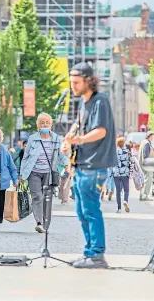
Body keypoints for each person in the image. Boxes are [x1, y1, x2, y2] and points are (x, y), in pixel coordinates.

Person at [61, 62, 117, 269]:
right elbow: (79, 125)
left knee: (91, 210)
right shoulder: (84, 103)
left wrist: (79, 140)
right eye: (71, 82)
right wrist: (69, 139)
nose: (73, 86)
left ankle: (97, 255)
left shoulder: (100, 101)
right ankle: (89, 252)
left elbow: (101, 131)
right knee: (82, 210)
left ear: (88, 80)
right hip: (82, 163)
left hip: (95, 164)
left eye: (76, 82)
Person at [20, 113, 69, 233]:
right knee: (37, 196)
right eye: (42, 123)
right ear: (38, 125)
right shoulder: (32, 138)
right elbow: (25, 157)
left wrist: (67, 165)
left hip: (49, 173)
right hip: (34, 172)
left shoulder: (56, 138)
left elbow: (61, 154)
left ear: (51, 125)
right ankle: (39, 222)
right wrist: (22, 174)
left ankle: (46, 222)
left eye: (47, 123)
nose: (44, 125)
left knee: (47, 198)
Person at [112, 137, 131, 213]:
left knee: (118, 191)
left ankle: (119, 208)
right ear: (124, 143)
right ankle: (125, 201)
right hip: (125, 173)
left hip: (116, 173)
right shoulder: (127, 152)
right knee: (126, 190)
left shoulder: (114, 152)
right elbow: (131, 161)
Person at [138, 131, 154, 201]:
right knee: (148, 179)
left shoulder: (144, 142)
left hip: (145, 164)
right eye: (152, 136)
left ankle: (142, 195)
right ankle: (145, 195)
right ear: (150, 136)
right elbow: (145, 155)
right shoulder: (147, 143)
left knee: (144, 179)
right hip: (148, 164)